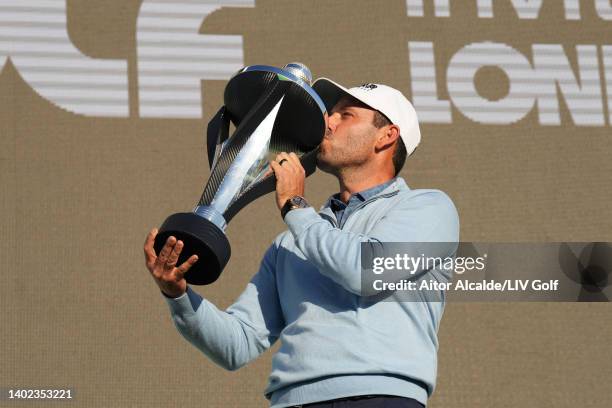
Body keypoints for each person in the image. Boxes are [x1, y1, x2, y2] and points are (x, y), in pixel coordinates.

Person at [143, 79, 460, 408]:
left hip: (382, 397)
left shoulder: (429, 208)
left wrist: (295, 206)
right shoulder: (292, 242)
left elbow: (365, 271)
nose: (328, 123)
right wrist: (177, 294)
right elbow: (236, 344)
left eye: (345, 115)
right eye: (330, 114)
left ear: (386, 136)